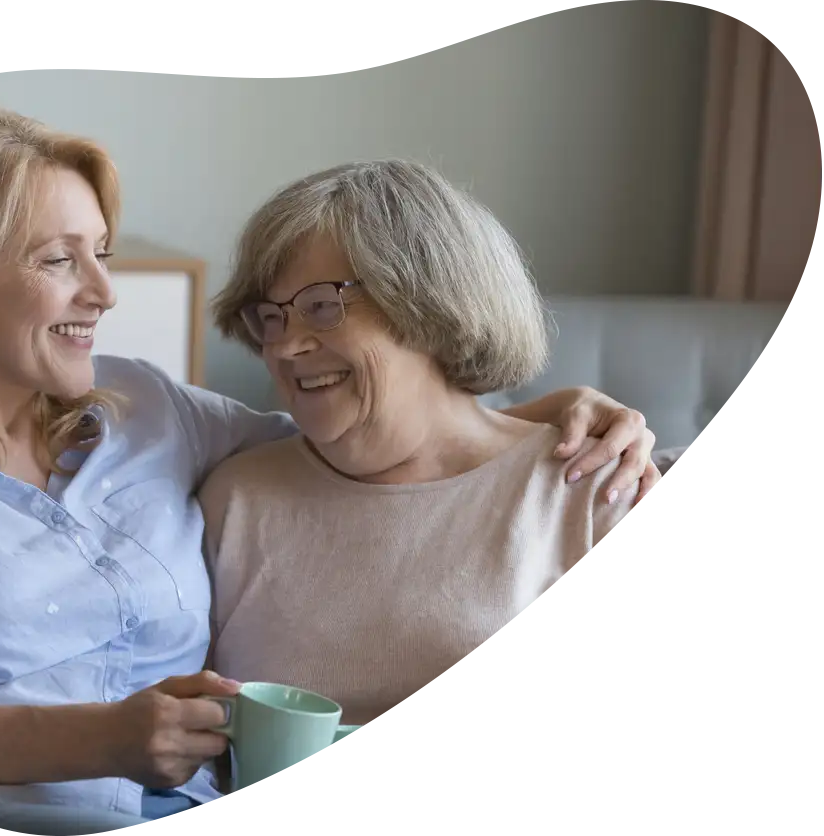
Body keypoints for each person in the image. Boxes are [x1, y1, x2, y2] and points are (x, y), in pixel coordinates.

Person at [0, 105, 660, 836]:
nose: (103, 293)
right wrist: (99, 740)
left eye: (102, 253)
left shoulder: (147, 408)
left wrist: (542, 421)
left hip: (203, 813)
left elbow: (360, 433)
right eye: (59, 260)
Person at [201, 159, 655, 731]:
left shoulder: (591, 486)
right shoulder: (234, 498)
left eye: (322, 306)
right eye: (272, 317)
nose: (286, 347)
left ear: (426, 303)